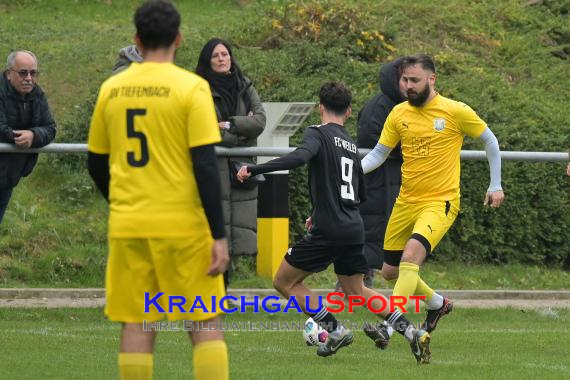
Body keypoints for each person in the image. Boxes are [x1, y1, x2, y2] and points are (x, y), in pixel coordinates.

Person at [237, 82, 431, 364]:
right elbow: (358, 193)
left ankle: (335, 329)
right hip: (353, 227)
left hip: (329, 229)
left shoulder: (317, 133)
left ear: (320, 108)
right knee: (356, 290)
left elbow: (301, 157)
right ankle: (411, 331)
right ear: (349, 111)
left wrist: (254, 168)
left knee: (283, 281)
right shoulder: (352, 146)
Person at [87, 1, 229, 379]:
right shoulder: (191, 88)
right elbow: (204, 165)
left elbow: (96, 164)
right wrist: (218, 234)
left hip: (130, 224)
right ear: (179, 39)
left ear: (136, 39)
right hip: (183, 226)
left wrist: (121, 203)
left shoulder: (111, 90)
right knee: (203, 320)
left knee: (137, 322)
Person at [362, 53, 504, 335]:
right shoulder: (399, 113)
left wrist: (495, 184)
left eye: (414, 80)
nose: (408, 86)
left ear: (432, 79)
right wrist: (351, 172)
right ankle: (437, 303)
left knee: (410, 259)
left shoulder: (455, 110)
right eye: (404, 80)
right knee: (390, 273)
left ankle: (390, 328)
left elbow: (489, 140)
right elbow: (378, 154)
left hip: (441, 202)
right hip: (405, 202)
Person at [195, 38, 266, 288]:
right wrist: (241, 132)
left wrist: (227, 124)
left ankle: (221, 292)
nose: (222, 59)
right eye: (216, 55)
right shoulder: (199, 89)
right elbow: (204, 129)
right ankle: (208, 290)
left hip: (239, 172)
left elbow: (259, 121)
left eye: (225, 54)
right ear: (208, 60)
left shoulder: (244, 85)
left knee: (236, 235)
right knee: (212, 231)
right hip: (212, 169)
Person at [0, 50, 56, 224]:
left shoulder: (37, 95)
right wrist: (18, 137)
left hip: (8, 176)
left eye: (33, 73)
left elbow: (50, 128)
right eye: (23, 72)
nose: (29, 78)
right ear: (9, 74)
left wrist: (33, 135)